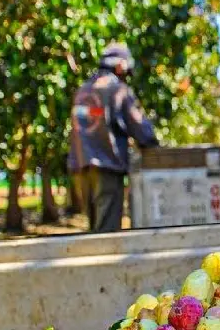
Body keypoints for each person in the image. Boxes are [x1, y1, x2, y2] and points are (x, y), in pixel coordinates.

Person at [68, 42, 159, 232]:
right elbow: (142, 130)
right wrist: (152, 144)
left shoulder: (83, 90)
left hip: (81, 169)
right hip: (107, 169)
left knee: (94, 229)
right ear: (120, 66)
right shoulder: (118, 90)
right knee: (106, 234)